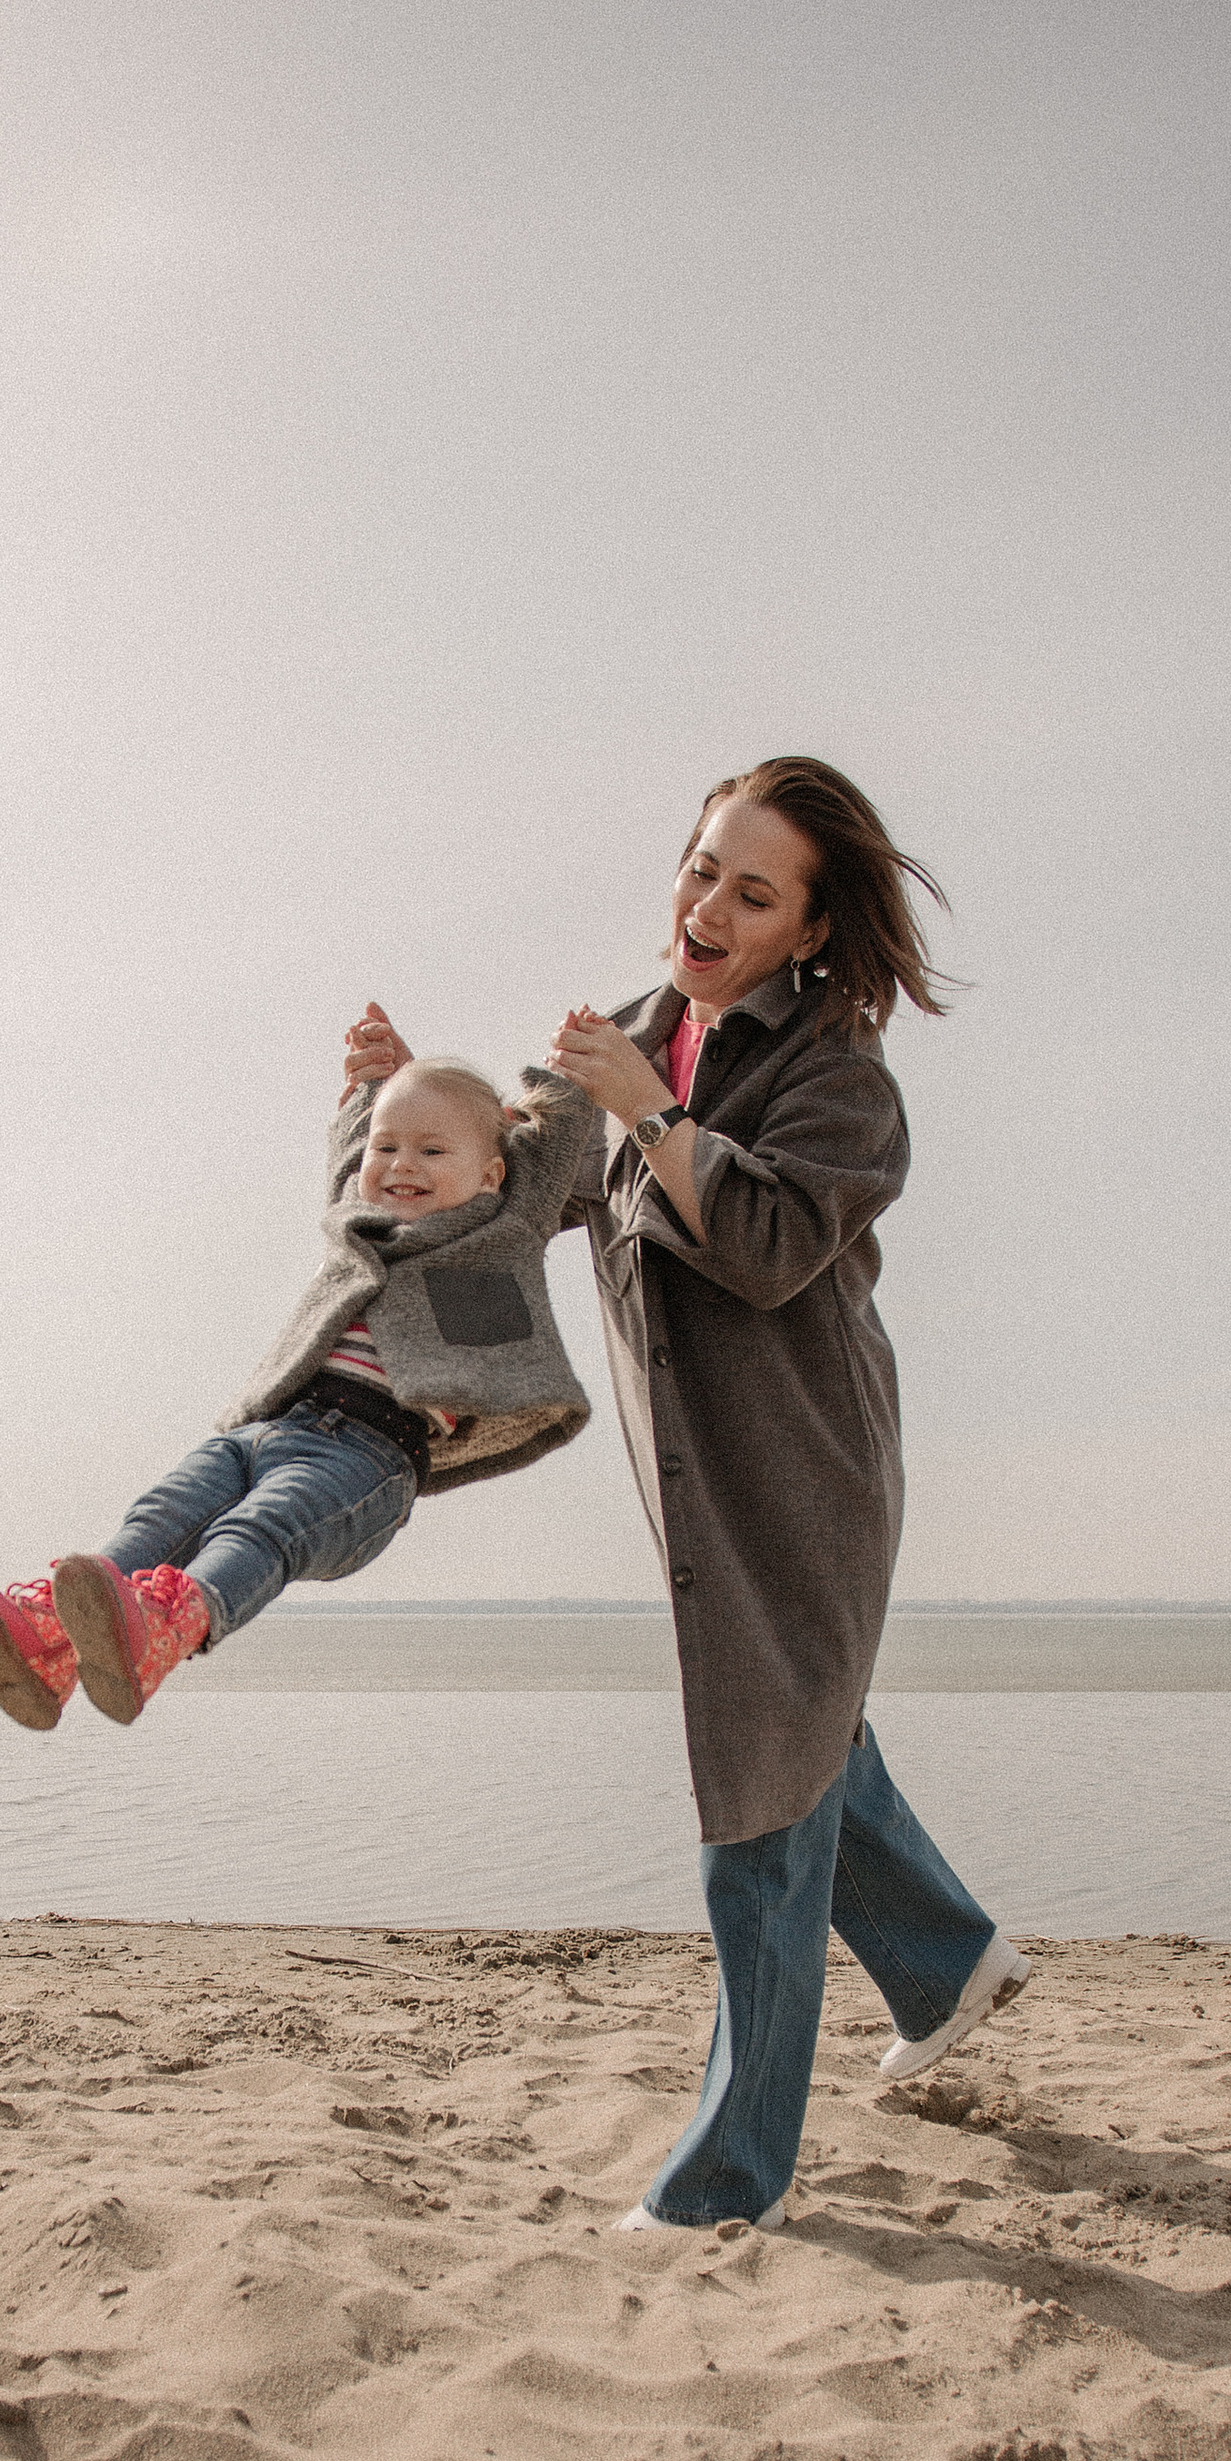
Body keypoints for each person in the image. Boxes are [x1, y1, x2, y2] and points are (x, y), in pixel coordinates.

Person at [356, 756, 1026, 2234]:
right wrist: (387, 1106)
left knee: (757, 1810)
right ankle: (951, 1963)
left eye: (753, 888)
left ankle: (728, 2185)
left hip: (805, 1482)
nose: (706, 904)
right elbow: (511, 1199)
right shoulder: (634, 1034)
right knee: (795, 1742)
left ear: (810, 928)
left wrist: (655, 1116)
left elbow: (775, 1246)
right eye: (701, 864)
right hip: (689, 1478)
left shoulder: (843, 1082)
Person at [0, 1051, 596, 1730]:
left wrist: (568, 1075)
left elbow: (549, 1161)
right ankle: (53, 1641)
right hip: (261, 1429)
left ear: (490, 1175)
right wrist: (369, 1085)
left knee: (260, 1526)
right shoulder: (354, 1224)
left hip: (368, 1456)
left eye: (431, 1150)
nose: (401, 1165)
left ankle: (173, 1624)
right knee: (161, 1516)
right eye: (388, 1146)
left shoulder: (497, 1237)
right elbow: (350, 1149)